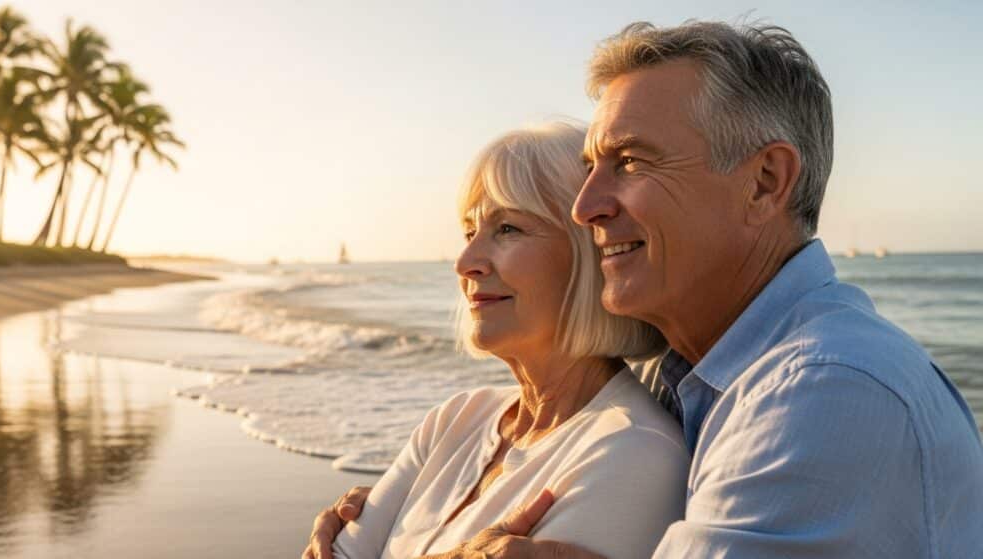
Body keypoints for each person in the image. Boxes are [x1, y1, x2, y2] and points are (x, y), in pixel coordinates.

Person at [307, 20, 983, 558]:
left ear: (764, 183)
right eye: (591, 166)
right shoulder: (687, 376)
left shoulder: (822, 390)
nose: (587, 207)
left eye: (629, 162)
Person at [313, 123, 688, 559]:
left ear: (591, 251)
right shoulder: (455, 419)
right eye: (469, 233)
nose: (465, 262)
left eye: (507, 228)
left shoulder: (635, 454)